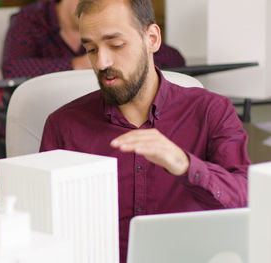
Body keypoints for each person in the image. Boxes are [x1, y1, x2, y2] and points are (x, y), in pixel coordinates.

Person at [39, 0, 250, 262]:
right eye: (91, 49)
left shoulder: (211, 111)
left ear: (151, 38)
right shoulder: (64, 125)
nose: (102, 62)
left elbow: (247, 200)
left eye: (116, 45)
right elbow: (43, 228)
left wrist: (186, 165)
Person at [1, 0, 185, 79]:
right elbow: (12, 69)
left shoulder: (106, 23)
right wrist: (77, 64)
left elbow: (174, 59)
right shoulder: (29, 20)